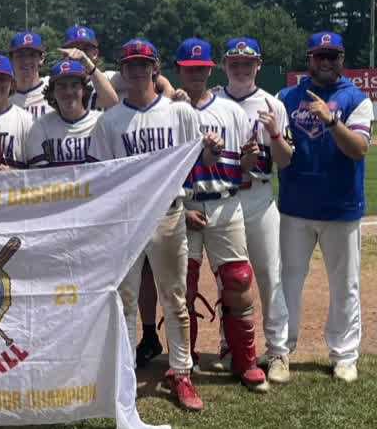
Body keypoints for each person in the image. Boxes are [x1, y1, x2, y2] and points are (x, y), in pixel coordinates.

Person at [87, 38, 219, 412]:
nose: (137, 70)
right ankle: (125, 374)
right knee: (125, 299)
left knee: (175, 298)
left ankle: (182, 373)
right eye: (130, 64)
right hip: (127, 218)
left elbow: (201, 161)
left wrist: (211, 147)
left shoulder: (180, 113)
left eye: (144, 64)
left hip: (167, 213)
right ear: (122, 70)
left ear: (155, 68)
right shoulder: (109, 121)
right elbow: (100, 177)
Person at [175, 38, 268, 392]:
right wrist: (182, 209)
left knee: (238, 280)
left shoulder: (231, 111)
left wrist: (247, 158)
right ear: (179, 70)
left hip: (225, 201)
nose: (196, 74)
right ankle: (184, 360)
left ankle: (244, 360)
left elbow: (246, 168)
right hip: (183, 204)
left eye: (201, 69)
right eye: (189, 69)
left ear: (210, 69)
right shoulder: (170, 111)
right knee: (182, 286)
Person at [278, 31, 372, 383]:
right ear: (310, 59)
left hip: (341, 207)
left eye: (333, 56)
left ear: (342, 59)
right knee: (288, 280)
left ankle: (344, 355)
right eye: (321, 56)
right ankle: (282, 351)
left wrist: (331, 120)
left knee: (345, 283)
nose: (327, 62)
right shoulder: (287, 97)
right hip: (295, 206)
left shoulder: (356, 99)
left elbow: (359, 149)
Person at [212, 37, 292, 384]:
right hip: (225, 197)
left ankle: (277, 352)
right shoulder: (212, 102)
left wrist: (275, 135)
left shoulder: (273, 104)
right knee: (228, 280)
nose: (241, 68)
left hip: (259, 197)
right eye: (234, 62)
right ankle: (230, 346)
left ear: (258, 65)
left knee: (269, 277)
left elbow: (285, 161)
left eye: (247, 62)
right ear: (224, 64)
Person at [26, 58, 118, 169]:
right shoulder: (41, 126)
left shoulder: (100, 122)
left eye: (74, 85)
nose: (68, 92)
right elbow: (38, 176)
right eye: (62, 86)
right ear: (52, 92)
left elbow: (110, 170)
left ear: (84, 90)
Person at [61, 25, 175, 109]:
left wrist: (167, 95)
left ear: (95, 53)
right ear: (64, 54)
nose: (78, 54)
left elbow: (153, 79)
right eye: (73, 49)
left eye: (85, 49)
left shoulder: (110, 78)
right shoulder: (56, 84)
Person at [8, 31, 52, 121]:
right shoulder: (3, 96)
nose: (26, 61)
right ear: (11, 59)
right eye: (20, 55)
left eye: (32, 55)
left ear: (41, 58)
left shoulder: (54, 87)